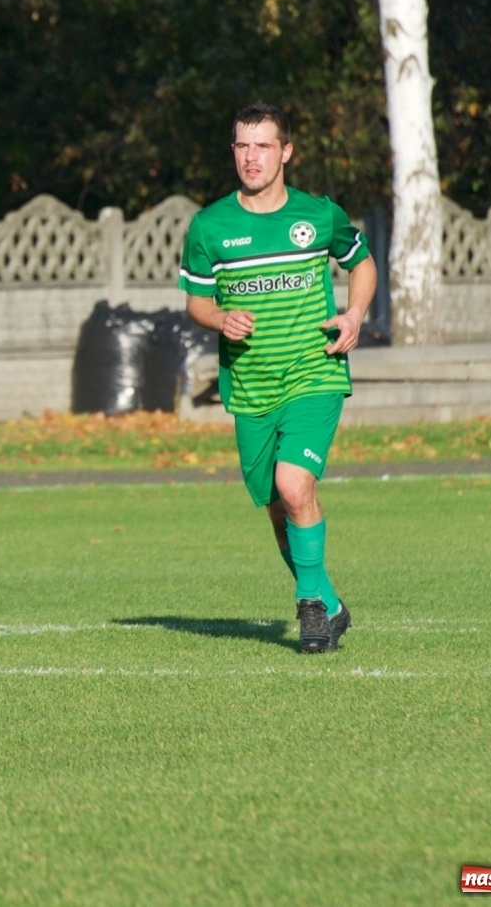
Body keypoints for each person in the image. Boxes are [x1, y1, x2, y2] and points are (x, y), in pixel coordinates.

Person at [178, 102, 377, 653]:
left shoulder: (318, 215)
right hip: (250, 387)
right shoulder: (209, 226)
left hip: (315, 373)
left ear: (286, 152)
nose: (251, 157)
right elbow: (196, 301)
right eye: (242, 146)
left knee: (295, 487)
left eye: (263, 146)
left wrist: (354, 315)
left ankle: (309, 608)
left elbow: (361, 263)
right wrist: (220, 317)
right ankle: (331, 602)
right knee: (276, 505)